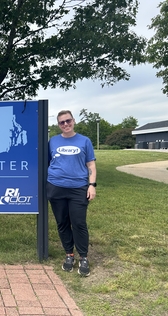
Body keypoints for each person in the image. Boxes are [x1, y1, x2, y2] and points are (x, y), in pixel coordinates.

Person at [46, 110, 96, 277]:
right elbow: (46, 163)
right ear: (58, 125)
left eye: (68, 121)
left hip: (78, 188)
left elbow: (91, 165)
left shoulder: (84, 141)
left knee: (79, 223)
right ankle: (69, 255)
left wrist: (92, 185)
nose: (65, 124)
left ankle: (83, 257)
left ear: (73, 121)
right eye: (62, 122)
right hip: (56, 187)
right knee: (62, 222)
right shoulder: (53, 141)